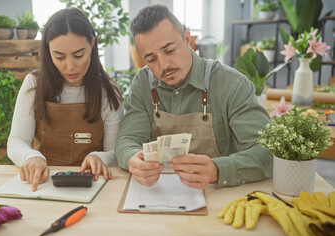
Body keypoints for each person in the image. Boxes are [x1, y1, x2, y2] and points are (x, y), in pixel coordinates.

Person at [115, 4, 272, 190]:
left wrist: (217, 170)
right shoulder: (142, 83)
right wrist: (133, 158)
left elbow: (267, 152)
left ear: (187, 39)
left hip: (219, 194)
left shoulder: (232, 84)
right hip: (159, 192)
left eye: (169, 50)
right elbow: (126, 140)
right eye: (151, 59)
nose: (163, 65)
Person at [8, 7, 124, 191]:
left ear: (92, 45)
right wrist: (30, 157)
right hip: (43, 185)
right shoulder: (34, 84)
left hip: (93, 187)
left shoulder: (109, 92)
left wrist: (100, 157)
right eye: (59, 56)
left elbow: (115, 152)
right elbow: (16, 141)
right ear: (48, 52)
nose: (70, 66)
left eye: (79, 55)